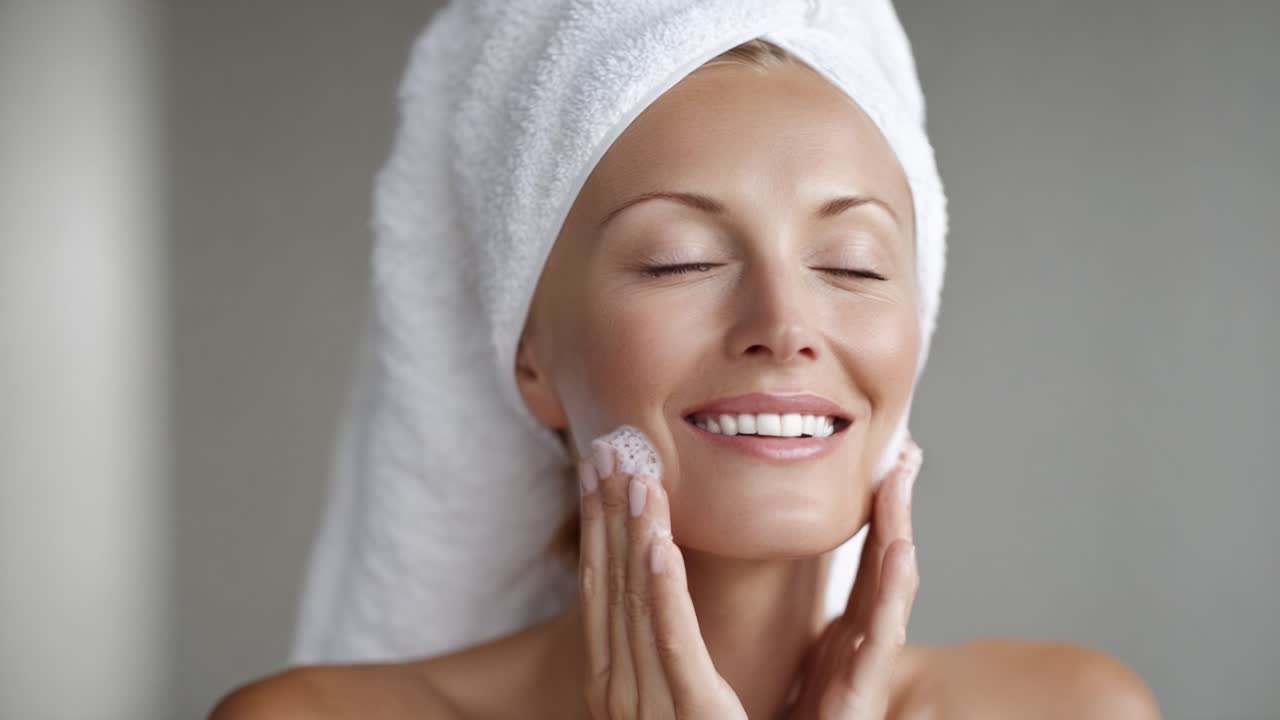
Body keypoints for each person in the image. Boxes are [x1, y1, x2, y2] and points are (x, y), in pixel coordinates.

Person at [211, 30, 1161, 720]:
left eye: (854, 265)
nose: (784, 327)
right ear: (529, 358)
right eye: (679, 259)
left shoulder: (1073, 709)